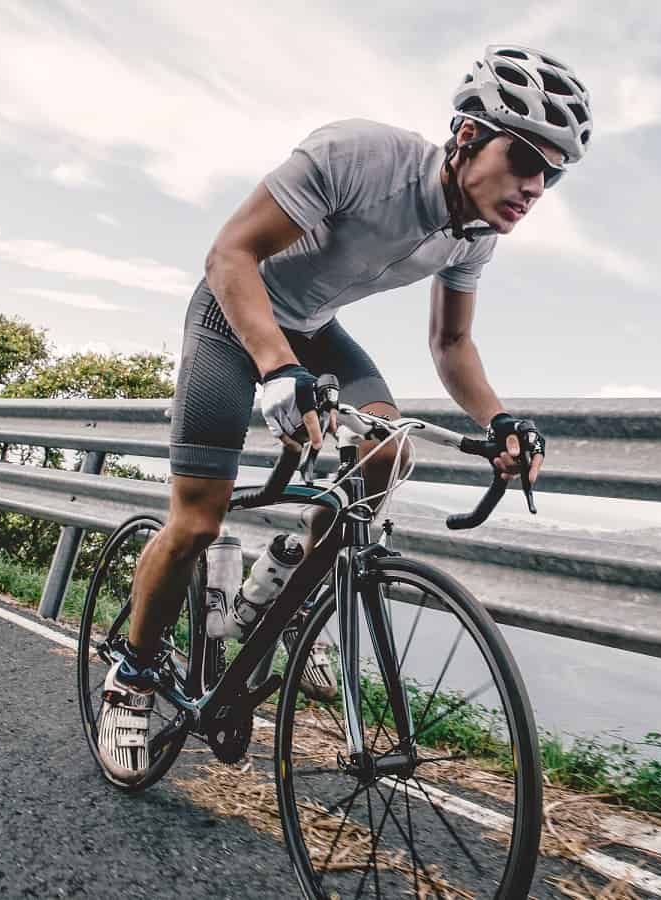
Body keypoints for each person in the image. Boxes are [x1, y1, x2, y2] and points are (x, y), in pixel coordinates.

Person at [96, 44, 593, 781]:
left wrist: (497, 420)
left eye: (553, 173)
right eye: (526, 158)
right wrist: (275, 368)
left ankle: (283, 583)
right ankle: (131, 678)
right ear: (465, 138)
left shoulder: (473, 234)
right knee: (199, 521)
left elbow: (452, 342)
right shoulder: (358, 156)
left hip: (316, 330)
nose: (537, 185)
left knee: (387, 451)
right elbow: (229, 255)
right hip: (234, 318)